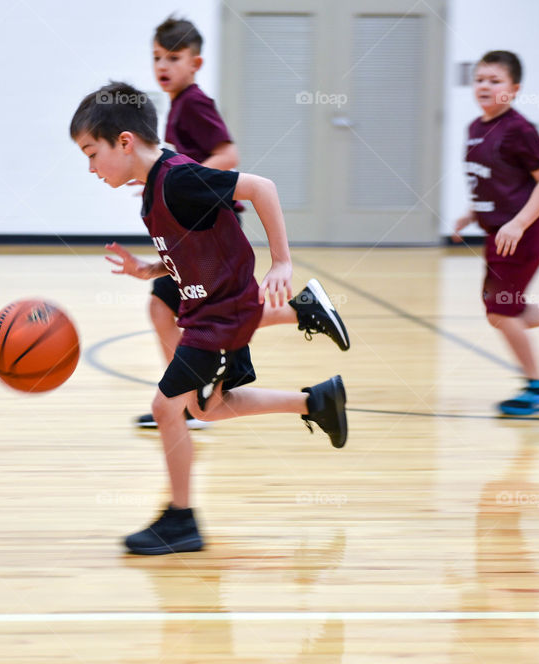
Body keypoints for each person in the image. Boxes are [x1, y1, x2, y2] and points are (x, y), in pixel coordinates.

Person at [70, 81, 348, 555]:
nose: (90, 167)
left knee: (165, 408)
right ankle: (316, 402)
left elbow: (262, 187)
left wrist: (281, 262)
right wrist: (150, 269)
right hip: (211, 312)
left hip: (219, 317)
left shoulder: (177, 177)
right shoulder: (153, 188)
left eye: (92, 152)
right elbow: (188, 250)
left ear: (124, 142)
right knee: (204, 408)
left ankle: (182, 522)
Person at [137, 16, 349, 431]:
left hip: (210, 238)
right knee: (165, 305)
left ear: (196, 63)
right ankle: (301, 313)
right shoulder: (179, 105)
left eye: (173, 57)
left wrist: (179, 182)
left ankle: (184, 398)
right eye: (157, 57)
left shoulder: (195, 103)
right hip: (194, 240)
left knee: (186, 309)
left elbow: (229, 155)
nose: (163, 65)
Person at [453, 50, 539, 415]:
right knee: (503, 312)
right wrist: (469, 215)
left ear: (513, 89)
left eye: (495, 81)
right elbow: (493, 181)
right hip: (500, 233)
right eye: (480, 79)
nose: (485, 86)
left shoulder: (519, 129)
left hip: (524, 234)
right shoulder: (476, 128)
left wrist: (519, 223)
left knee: (502, 311)